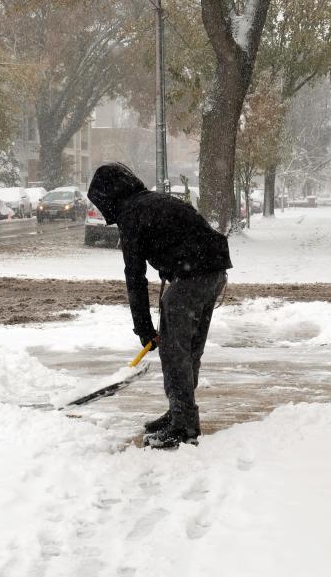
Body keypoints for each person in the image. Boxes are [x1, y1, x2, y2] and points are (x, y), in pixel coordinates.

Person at [87, 163, 231, 449]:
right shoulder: (153, 200)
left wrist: (143, 329)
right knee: (188, 350)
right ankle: (180, 412)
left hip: (193, 275)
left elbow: (135, 276)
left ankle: (184, 425)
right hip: (213, 271)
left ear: (109, 197)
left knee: (175, 351)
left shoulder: (131, 213)